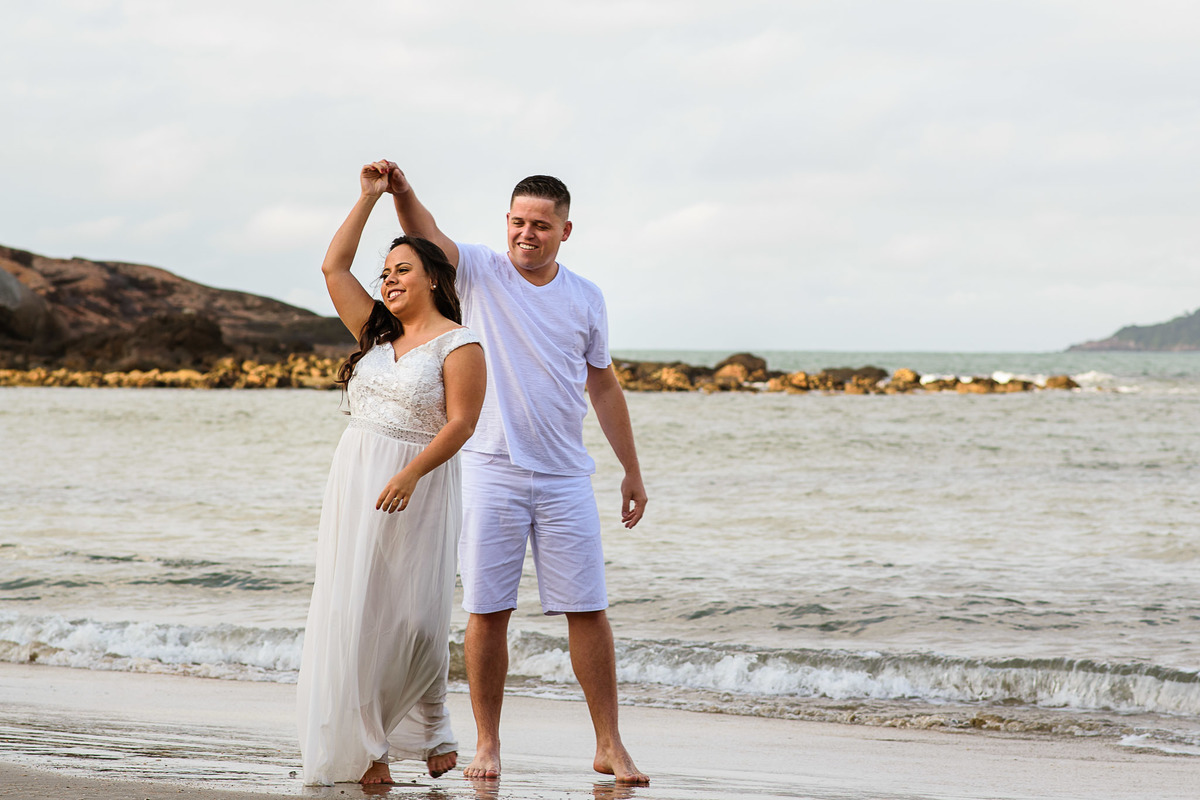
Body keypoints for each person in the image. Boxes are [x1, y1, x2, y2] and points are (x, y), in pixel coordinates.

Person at [382, 160, 650, 785]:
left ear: (565, 230)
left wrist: (631, 470)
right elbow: (426, 234)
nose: (526, 234)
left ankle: (610, 743)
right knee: (487, 610)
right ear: (506, 223)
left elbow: (604, 384)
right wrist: (401, 191)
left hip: (564, 478)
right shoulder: (479, 270)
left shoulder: (586, 296)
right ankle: (487, 745)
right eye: (518, 222)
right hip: (489, 470)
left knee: (588, 609)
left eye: (541, 225)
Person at [296, 162, 486, 786]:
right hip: (355, 477)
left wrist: (410, 474)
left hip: (421, 483)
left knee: (416, 614)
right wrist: (367, 199)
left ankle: (431, 722)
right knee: (357, 606)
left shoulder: (459, 344)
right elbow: (332, 267)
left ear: (434, 277)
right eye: (385, 273)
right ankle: (371, 746)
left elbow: (460, 424)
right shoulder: (374, 330)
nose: (389, 280)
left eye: (402, 269)